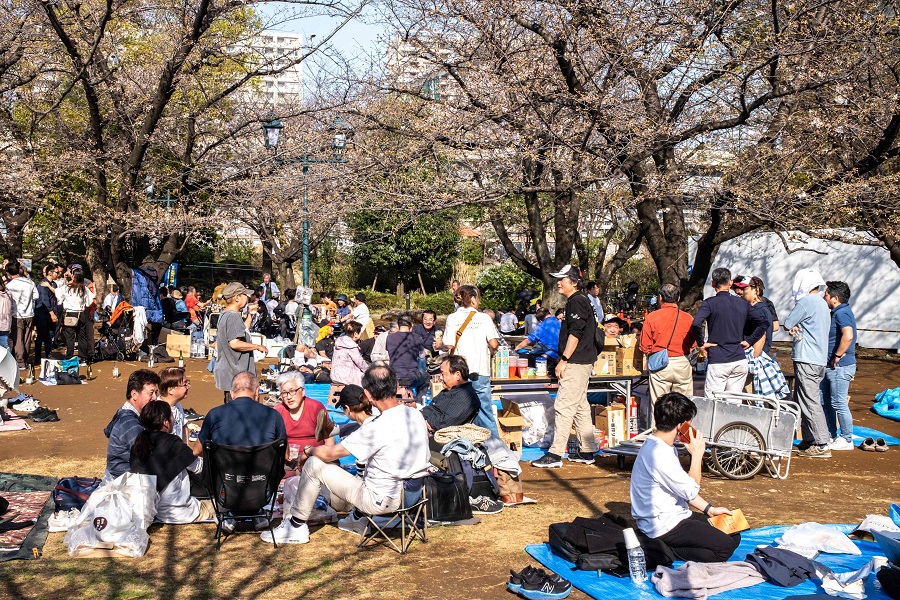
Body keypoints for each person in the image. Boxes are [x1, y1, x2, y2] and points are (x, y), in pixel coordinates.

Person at [261, 365, 430, 545]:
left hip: (383, 500)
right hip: (413, 496)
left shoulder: (376, 427)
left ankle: (295, 526)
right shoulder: (415, 414)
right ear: (395, 387)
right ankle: (356, 519)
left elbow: (329, 454)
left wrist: (308, 451)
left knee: (313, 465)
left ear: (369, 395)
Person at [631, 392, 740, 562]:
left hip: (677, 515)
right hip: (662, 525)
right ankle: (666, 550)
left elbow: (682, 490)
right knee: (724, 547)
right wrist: (697, 455)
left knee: (733, 533)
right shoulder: (659, 454)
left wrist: (710, 510)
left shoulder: (661, 444)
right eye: (690, 423)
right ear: (682, 425)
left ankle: (673, 547)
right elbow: (690, 489)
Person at [531, 266, 599, 468]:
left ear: (574, 282)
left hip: (576, 361)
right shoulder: (580, 300)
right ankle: (587, 451)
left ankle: (555, 453)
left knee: (563, 406)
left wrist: (564, 359)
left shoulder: (577, 301)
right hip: (583, 360)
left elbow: (575, 333)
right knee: (580, 406)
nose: (559, 282)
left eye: (562, 279)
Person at [129, 400, 210, 524]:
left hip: (152, 511)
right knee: (221, 504)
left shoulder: (138, 444)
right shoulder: (173, 442)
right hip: (181, 511)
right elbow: (199, 467)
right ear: (166, 423)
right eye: (172, 416)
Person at [690, 268, 766, 394]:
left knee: (713, 402)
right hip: (739, 359)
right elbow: (764, 322)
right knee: (733, 403)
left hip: (718, 359)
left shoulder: (709, 303)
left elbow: (696, 323)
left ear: (712, 284)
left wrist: (701, 343)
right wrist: (749, 341)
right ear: (730, 283)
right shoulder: (742, 303)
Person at [783, 269, 832, 458]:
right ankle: (809, 439)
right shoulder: (822, 303)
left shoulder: (806, 302)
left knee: (809, 400)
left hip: (807, 358)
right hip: (818, 359)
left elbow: (788, 322)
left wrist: (794, 326)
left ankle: (821, 443)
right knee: (803, 398)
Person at [443, 285, 500, 437]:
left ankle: (463, 445)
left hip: (460, 373)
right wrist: (490, 352)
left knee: (460, 412)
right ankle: (496, 448)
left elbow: (448, 344)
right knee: (485, 411)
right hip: (480, 370)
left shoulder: (452, 318)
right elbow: (494, 344)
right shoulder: (484, 318)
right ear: (473, 298)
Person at [640, 284, 695, 415]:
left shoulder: (651, 318)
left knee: (659, 405)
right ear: (679, 297)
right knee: (684, 405)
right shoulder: (688, 318)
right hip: (682, 362)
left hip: (659, 364)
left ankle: (659, 434)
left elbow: (644, 346)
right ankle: (683, 433)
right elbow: (693, 344)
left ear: (660, 297)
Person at [199, 372, 287, 447]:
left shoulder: (214, 414)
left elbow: (196, 451)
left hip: (224, 466)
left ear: (231, 393)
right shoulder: (273, 415)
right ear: (257, 391)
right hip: (262, 466)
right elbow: (285, 454)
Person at [214, 283, 268, 403]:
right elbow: (235, 343)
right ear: (237, 297)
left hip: (229, 371)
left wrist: (250, 316)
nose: (248, 298)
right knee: (240, 410)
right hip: (236, 373)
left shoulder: (225, 313)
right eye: (245, 295)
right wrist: (257, 346)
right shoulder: (233, 317)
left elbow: (242, 332)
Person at [104, 369, 161, 478]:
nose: (155, 397)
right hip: (123, 483)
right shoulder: (130, 423)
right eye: (151, 393)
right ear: (134, 394)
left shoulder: (131, 417)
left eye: (156, 393)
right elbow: (148, 457)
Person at [821, 281, 857, 452]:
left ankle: (846, 438)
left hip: (840, 366)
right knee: (826, 401)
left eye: (826, 294)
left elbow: (848, 336)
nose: (824, 296)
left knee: (838, 402)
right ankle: (831, 435)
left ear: (835, 298)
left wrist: (837, 356)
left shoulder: (842, 313)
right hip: (832, 366)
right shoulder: (837, 312)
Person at [273, 371, 334, 455]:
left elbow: (329, 437)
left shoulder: (315, 408)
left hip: (314, 457)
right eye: (284, 393)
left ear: (302, 391)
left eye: (292, 391)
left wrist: (328, 456)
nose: (289, 397)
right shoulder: (278, 412)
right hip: (287, 459)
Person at [421, 355, 480, 432]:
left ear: (457, 375)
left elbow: (447, 422)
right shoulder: (450, 390)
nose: (441, 378)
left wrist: (426, 422)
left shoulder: (465, 396)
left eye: (443, 374)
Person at [385, 315, 429, 401]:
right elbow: (421, 356)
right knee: (426, 378)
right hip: (411, 376)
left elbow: (389, 354)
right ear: (411, 326)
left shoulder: (389, 337)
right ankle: (418, 402)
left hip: (394, 376)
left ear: (398, 326)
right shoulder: (416, 338)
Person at [54, 268, 95, 361]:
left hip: (70, 314)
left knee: (70, 337)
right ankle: (83, 358)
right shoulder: (84, 289)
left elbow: (58, 296)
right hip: (81, 314)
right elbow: (89, 303)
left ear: (73, 276)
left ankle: (69, 357)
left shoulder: (67, 288)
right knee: (82, 336)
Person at [6, 261, 39, 368]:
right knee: (27, 338)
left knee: (18, 338)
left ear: (8, 273)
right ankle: (25, 359)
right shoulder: (30, 283)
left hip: (16, 315)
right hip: (29, 313)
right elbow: (36, 296)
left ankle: (20, 362)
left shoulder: (9, 286)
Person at [330, 320, 368, 387]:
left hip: (334, 375)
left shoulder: (339, 342)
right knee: (368, 378)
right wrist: (369, 371)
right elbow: (360, 362)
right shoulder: (351, 346)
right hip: (346, 377)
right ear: (355, 334)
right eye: (360, 333)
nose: (361, 334)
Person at [159, 366, 190, 442]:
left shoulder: (177, 404)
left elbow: (184, 427)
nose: (188, 387)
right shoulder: (158, 410)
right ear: (171, 390)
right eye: (184, 384)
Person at [35, 266, 59, 360]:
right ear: (50, 273)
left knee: (49, 335)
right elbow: (44, 300)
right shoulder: (42, 284)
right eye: (56, 272)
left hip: (52, 312)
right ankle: (37, 357)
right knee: (41, 335)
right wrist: (51, 313)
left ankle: (49, 354)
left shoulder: (53, 284)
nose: (58, 274)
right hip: (43, 313)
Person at [0, 278, 11, 349]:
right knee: (4, 346)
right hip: (5, 324)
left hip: (3, 322)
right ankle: (8, 360)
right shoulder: (8, 293)